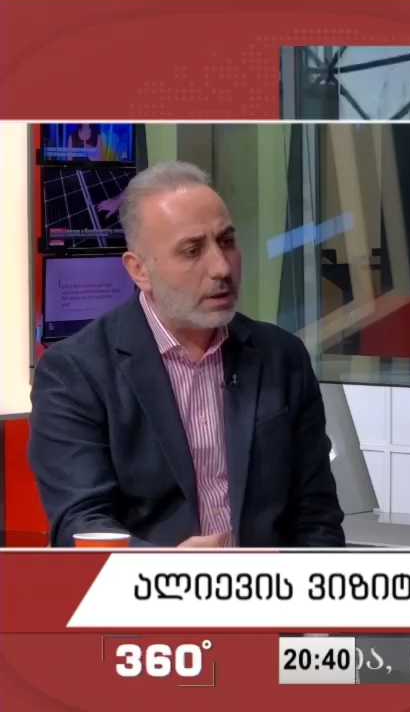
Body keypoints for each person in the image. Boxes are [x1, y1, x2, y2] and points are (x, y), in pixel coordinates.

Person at [29, 161, 346, 548]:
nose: (221, 267)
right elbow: (80, 525)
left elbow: (316, 516)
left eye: (226, 242)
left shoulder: (281, 356)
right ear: (139, 270)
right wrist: (168, 569)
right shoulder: (75, 373)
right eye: (192, 250)